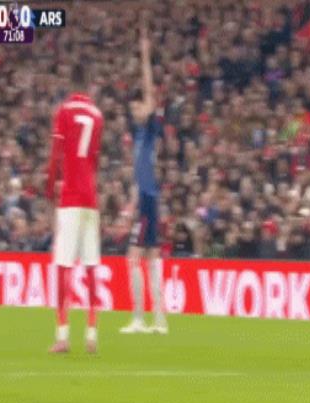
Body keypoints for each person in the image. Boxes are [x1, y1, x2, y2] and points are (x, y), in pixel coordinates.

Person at [46, 65, 104, 353]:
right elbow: (95, 160)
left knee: (64, 266)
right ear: (89, 85)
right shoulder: (97, 115)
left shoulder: (64, 111)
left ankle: (63, 336)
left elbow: (56, 155)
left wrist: (50, 187)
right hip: (90, 198)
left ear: (71, 85)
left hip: (70, 197)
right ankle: (92, 334)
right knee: (91, 267)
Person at [120, 16, 167, 335]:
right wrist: (131, 201)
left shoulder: (149, 128)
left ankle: (139, 318)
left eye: (137, 107)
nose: (135, 111)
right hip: (147, 197)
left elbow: (150, 92)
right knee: (150, 259)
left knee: (132, 259)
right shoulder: (138, 135)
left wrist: (145, 54)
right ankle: (159, 321)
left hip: (150, 198)